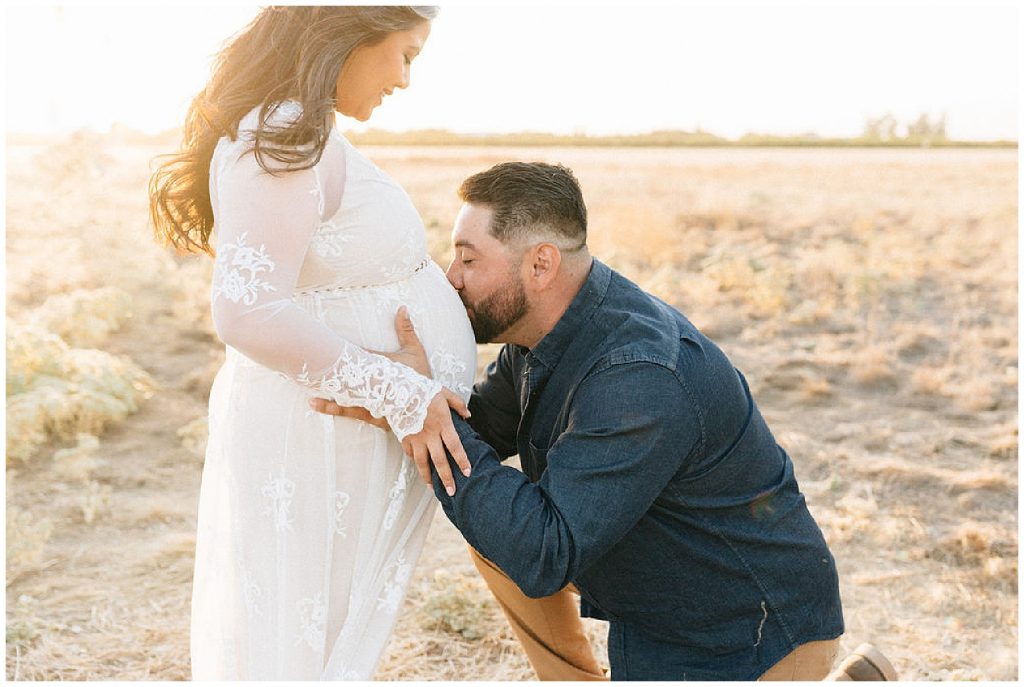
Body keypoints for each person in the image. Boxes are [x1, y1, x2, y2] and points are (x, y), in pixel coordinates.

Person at [313, 161, 848, 680]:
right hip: (667, 592)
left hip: (742, 632)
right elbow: (484, 433)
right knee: (495, 522)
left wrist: (422, 412)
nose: (450, 279)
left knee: (519, 533)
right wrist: (399, 400)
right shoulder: (548, 328)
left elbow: (543, 554)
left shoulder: (637, 378)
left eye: (468, 260)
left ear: (541, 265)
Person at [148, 6, 478, 680]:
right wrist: (401, 390)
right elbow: (247, 312)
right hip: (317, 440)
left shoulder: (304, 129)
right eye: (406, 53)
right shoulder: (281, 131)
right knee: (299, 651)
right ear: (349, 36)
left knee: (324, 645)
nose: (407, 79)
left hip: (336, 435)